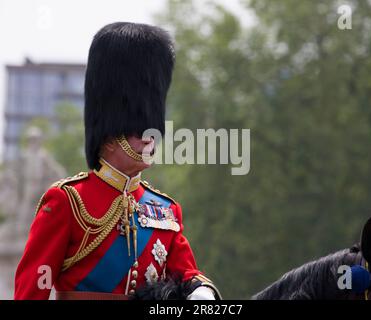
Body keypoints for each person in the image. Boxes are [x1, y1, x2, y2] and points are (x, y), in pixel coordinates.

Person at [14, 22, 221, 300]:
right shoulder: (68, 202)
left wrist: (201, 290)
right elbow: (32, 289)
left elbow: (185, 272)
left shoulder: (166, 210)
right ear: (110, 137)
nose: (149, 138)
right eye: (139, 130)